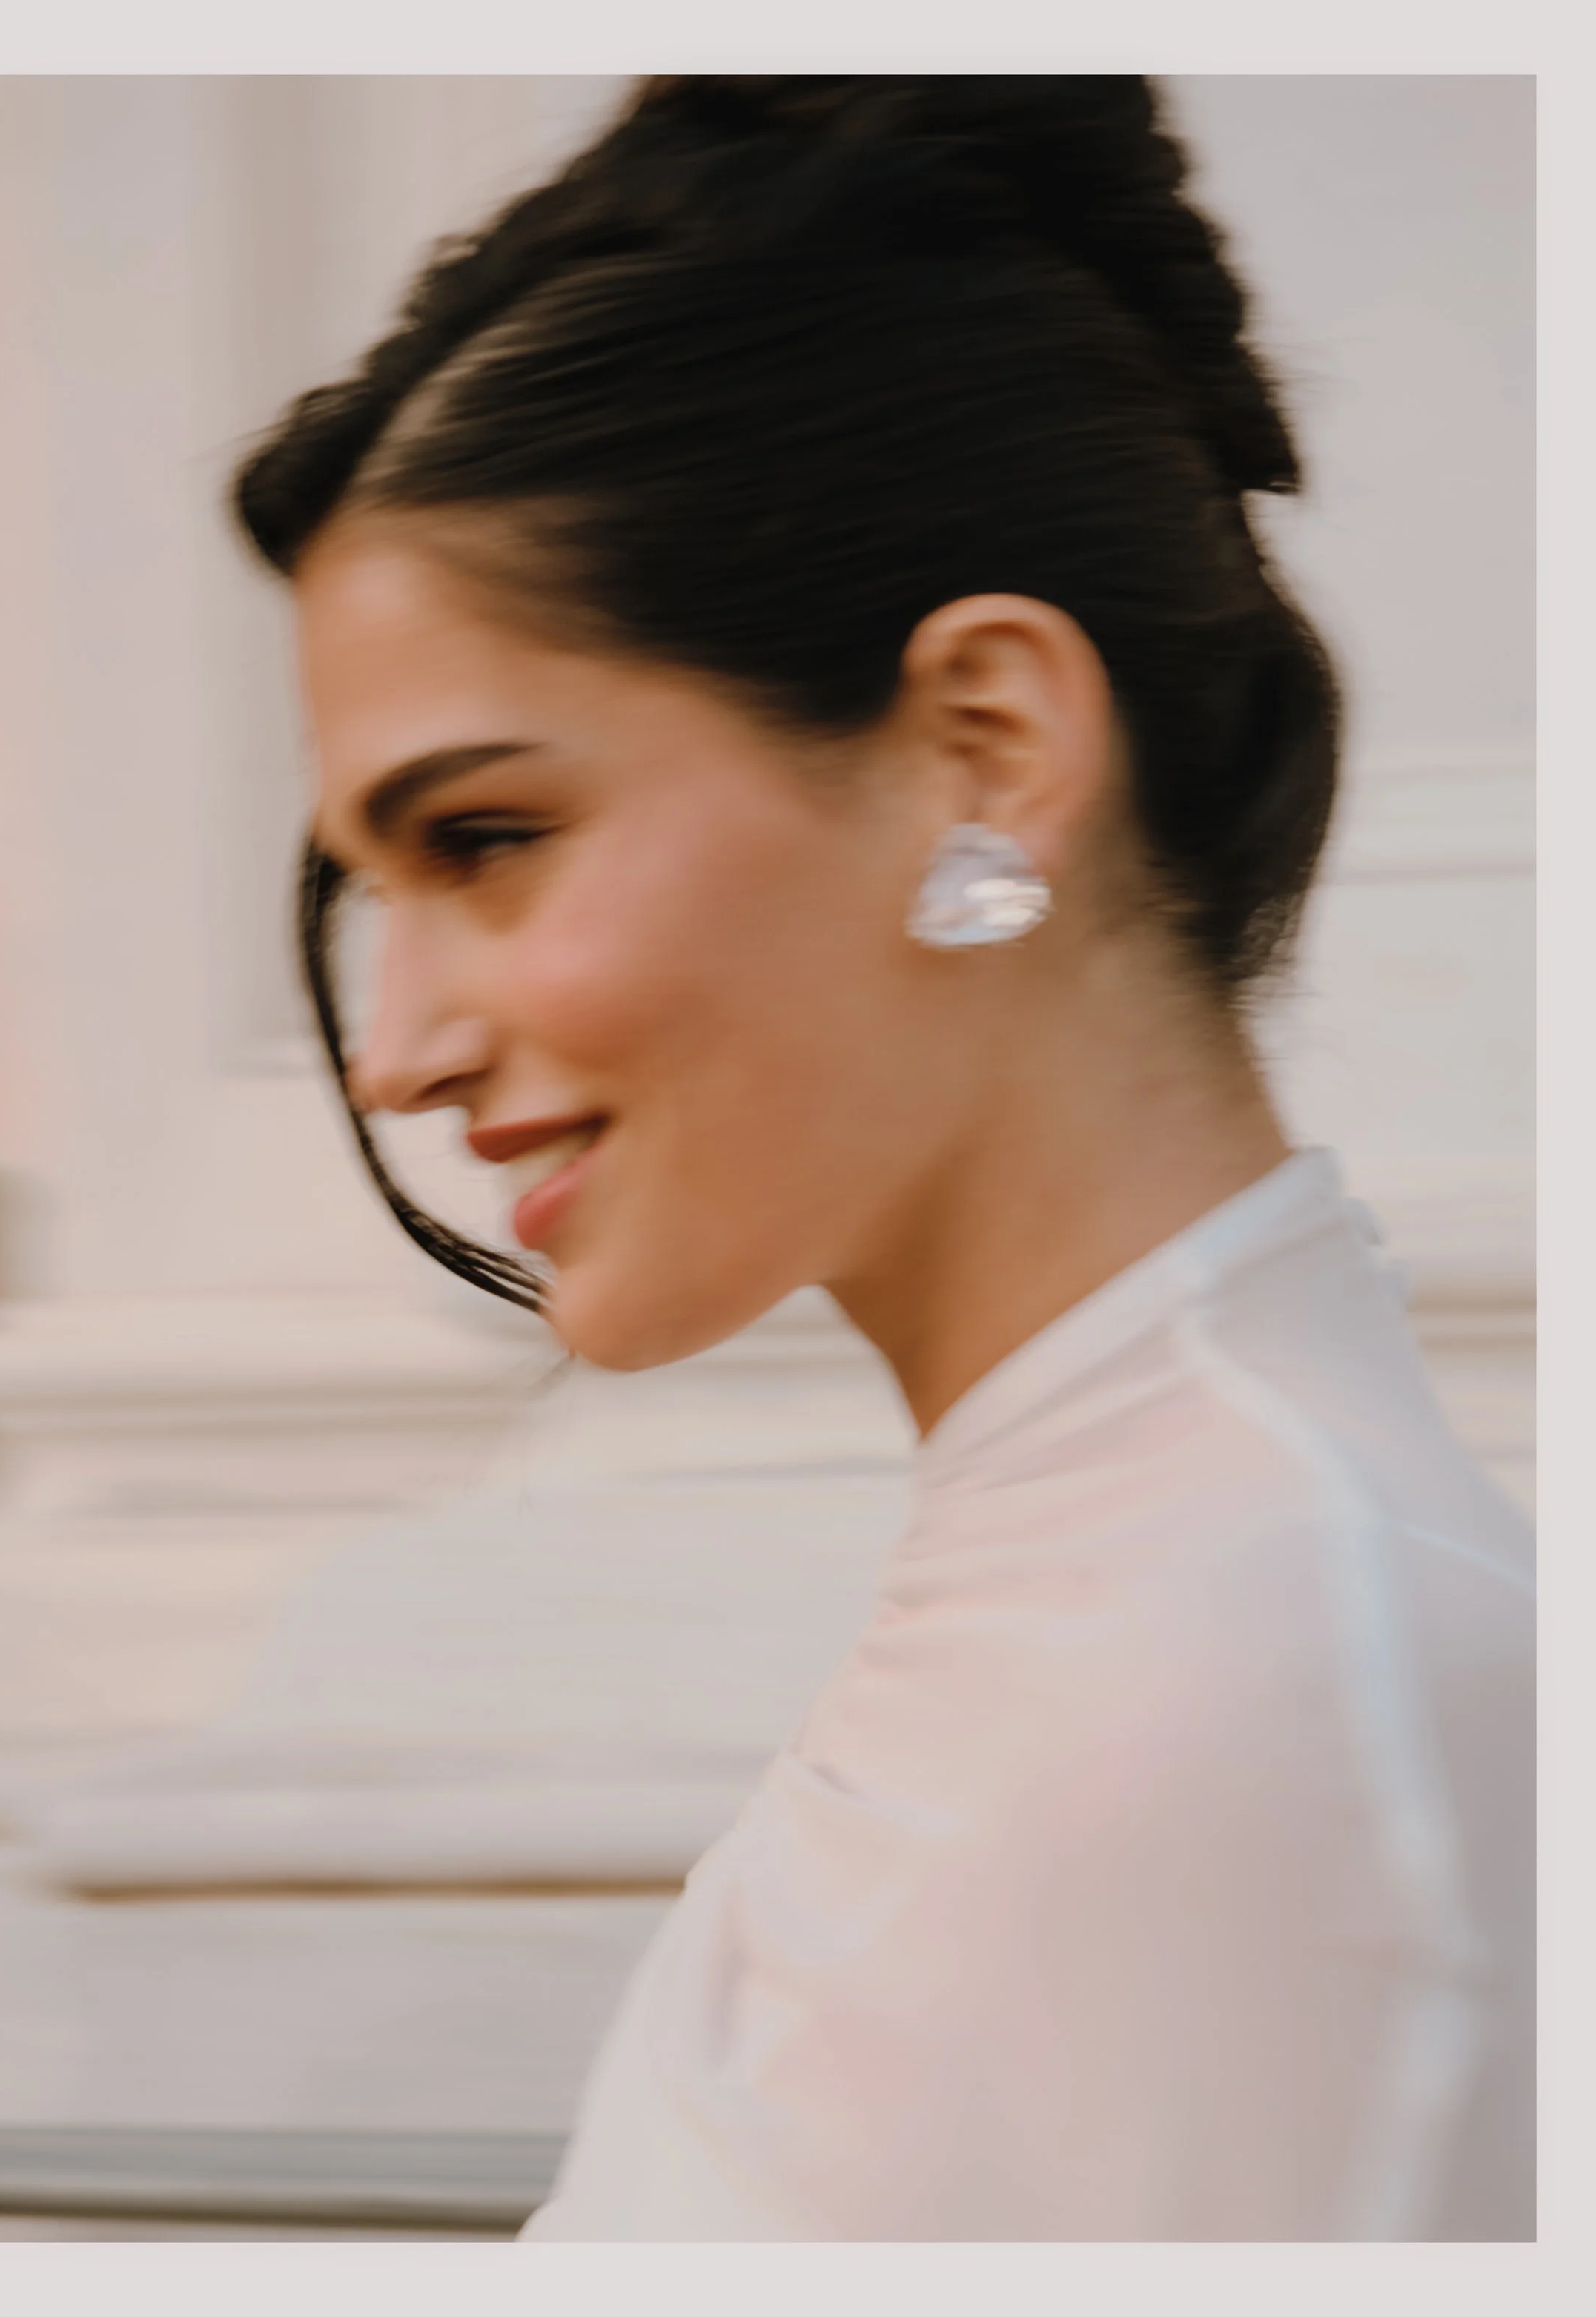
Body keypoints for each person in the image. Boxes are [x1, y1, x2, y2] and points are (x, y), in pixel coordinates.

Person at [230, 75, 1534, 2241]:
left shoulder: (1260, 1692)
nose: (397, 1052)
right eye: (376, 886)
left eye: (489, 839)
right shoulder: (1123, 1618)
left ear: (985, 747)